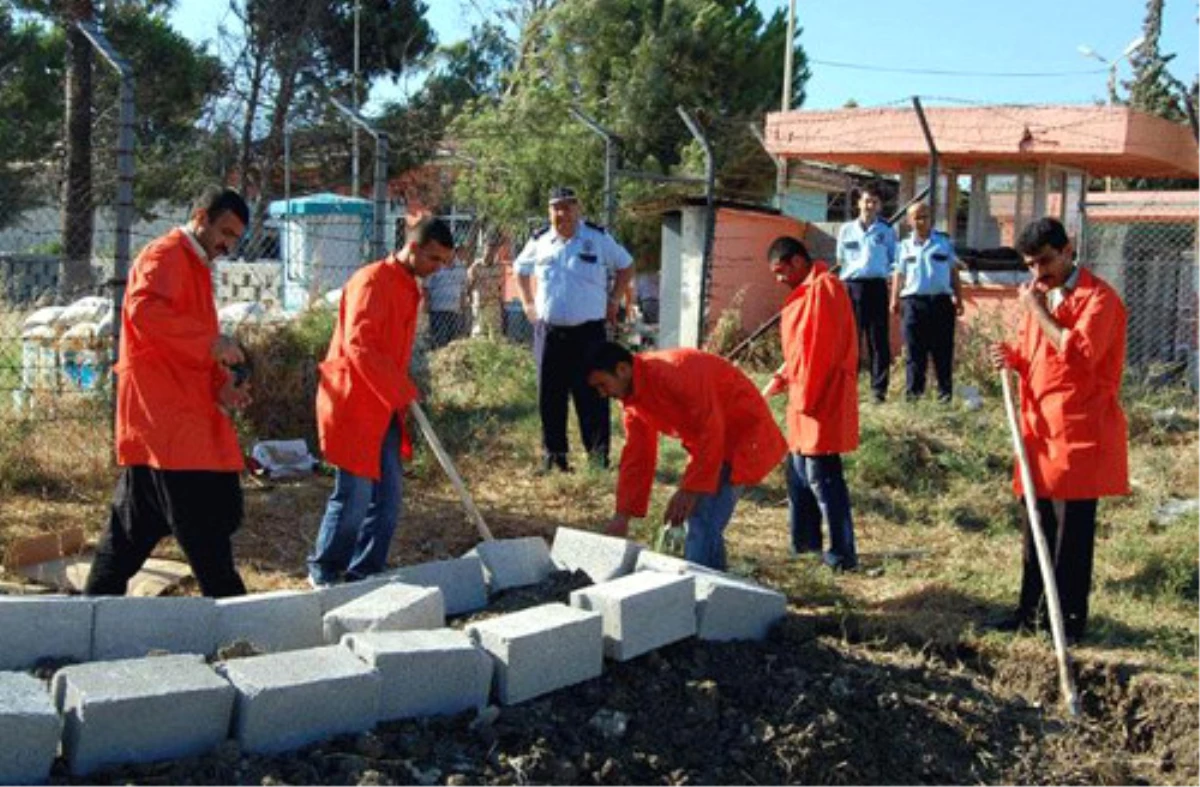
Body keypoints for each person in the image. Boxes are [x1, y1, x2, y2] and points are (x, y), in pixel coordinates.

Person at [85, 187, 252, 598]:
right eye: (225, 233)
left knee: (131, 531)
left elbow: (191, 342)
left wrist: (221, 386)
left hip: (172, 419)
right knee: (206, 528)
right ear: (200, 216)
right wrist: (213, 346)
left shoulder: (191, 264)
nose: (227, 245)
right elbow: (145, 314)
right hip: (169, 420)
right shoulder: (165, 256)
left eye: (234, 238)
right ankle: (235, 620)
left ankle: (91, 609)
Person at [989, 217, 1129, 643]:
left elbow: (1079, 355)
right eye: (1030, 265)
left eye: (1045, 262)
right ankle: (1029, 614)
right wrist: (1011, 356)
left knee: (1071, 539)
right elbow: (1039, 354)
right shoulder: (1043, 296)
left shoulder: (1098, 300)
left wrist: (1035, 309)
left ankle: (1066, 624)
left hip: (1078, 435)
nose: (1038, 274)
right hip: (1038, 433)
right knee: (1036, 528)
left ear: (1068, 250)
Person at [308, 216, 456, 587]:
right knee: (354, 498)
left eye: (443, 262)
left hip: (384, 406)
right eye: (434, 259)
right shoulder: (372, 280)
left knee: (387, 501)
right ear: (414, 247)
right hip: (354, 401)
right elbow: (361, 347)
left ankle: (366, 572)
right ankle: (325, 571)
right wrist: (399, 388)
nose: (437, 269)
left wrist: (397, 393)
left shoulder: (409, 286)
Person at [586, 342, 786, 570]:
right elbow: (637, 456)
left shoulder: (675, 372)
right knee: (701, 520)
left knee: (701, 519)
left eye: (602, 385)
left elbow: (711, 430)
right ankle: (713, 586)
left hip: (744, 439)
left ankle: (702, 591)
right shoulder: (633, 398)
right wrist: (622, 515)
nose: (602, 394)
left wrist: (690, 490)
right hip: (712, 444)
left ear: (622, 369)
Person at [515, 186, 634, 473]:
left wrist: (615, 299)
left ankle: (597, 459)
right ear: (549, 212)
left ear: (578, 209)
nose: (562, 213)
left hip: (588, 334)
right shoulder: (540, 241)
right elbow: (520, 269)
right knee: (550, 396)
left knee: (593, 393)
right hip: (550, 332)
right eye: (556, 208)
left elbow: (626, 266)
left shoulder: (596, 238)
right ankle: (554, 456)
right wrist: (528, 304)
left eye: (567, 207)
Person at [763, 237, 861, 571]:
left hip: (820, 398)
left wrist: (805, 397)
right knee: (798, 476)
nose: (778, 280)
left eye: (780, 271)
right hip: (804, 398)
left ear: (797, 261)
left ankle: (841, 557)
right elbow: (800, 351)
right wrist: (782, 378)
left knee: (824, 479)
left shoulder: (825, 288)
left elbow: (821, 351)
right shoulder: (808, 292)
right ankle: (804, 548)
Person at [889, 202, 965, 402]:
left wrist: (959, 299)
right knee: (915, 351)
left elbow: (953, 272)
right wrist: (894, 299)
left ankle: (944, 396)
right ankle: (914, 396)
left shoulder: (943, 243)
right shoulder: (903, 246)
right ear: (909, 221)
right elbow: (899, 273)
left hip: (941, 303)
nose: (921, 221)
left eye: (925, 216)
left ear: (931, 218)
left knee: (942, 351)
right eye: (916, 217)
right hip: (913, 303)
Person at [836, 185, 897, 403]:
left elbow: (893, 260)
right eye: (866, 201)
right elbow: (841, 259)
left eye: (874, 202)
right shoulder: (846, 230)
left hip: (877, 287)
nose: (870, 205)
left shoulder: (886, 231)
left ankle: (878, 391)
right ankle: (847, 388)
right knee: (852, 340)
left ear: (879, 206)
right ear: (858, 203)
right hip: (852, 287)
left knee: (878, 340)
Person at [424, 253, 468, 349]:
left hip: (455, 310)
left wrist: (463, 307)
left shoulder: (461, 266)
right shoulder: (435, 264)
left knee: (454, 342)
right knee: (439, 341)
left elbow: (463, 289)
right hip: (438, 310)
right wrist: (427, 303)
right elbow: (426, 286)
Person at [467, 232, 506, 339]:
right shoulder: (476, 267)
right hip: (480, 304)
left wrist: (502, 302)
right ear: (484, 249)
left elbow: (502, 287)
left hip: (494, 303)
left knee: (495, 334)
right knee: (479, 333)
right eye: (489, 248)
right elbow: (469, 286)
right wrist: (470, 301)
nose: (491, 251)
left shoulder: (500, 267)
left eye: (494, 249)